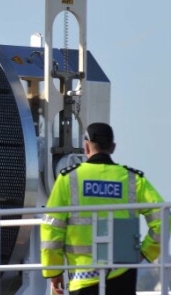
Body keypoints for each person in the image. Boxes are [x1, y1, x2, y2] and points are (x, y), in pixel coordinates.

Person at [41, 123, 164, 295]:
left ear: (86, 146)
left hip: (82, 279)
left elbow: (52, 228)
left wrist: (54, 272)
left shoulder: (69, 179)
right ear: (113, 147)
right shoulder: (133, 179)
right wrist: (146, 252)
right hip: (123, 277)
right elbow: (163, 218)